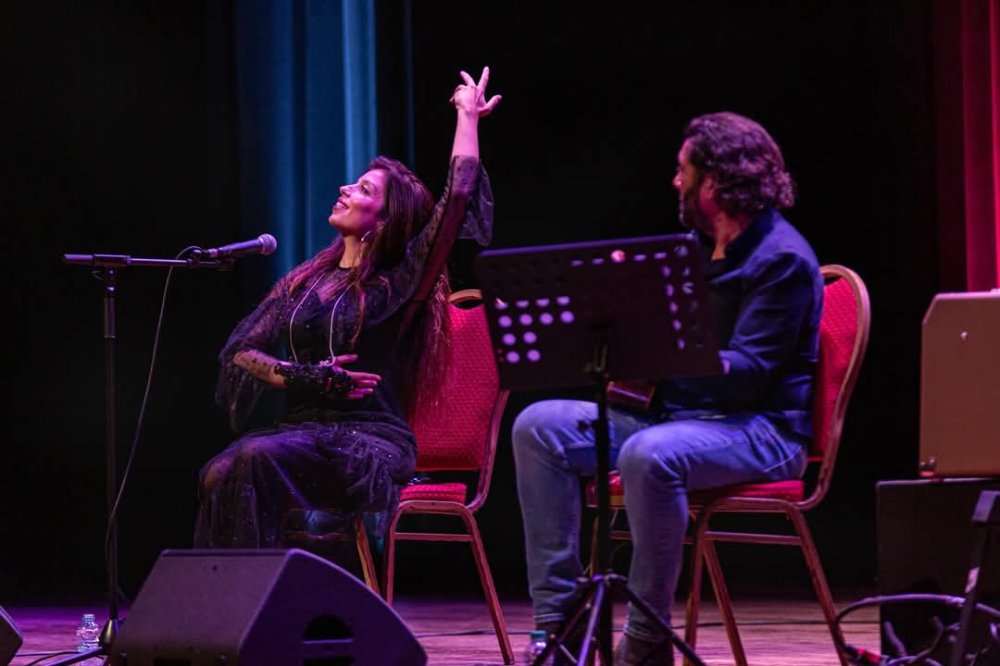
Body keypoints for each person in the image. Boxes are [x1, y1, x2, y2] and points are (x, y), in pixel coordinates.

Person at [512, 111, 823, 665]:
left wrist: (660, 353)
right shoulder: (693, 248)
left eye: (684, 171)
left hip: (760, 431)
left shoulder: (783, 260)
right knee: (539, 427)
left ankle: (647, 641)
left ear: (719, 180)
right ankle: (557, 626)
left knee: (649, 455)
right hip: (679, 417)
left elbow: (750, 373)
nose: (675, 182)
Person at [194, 67, 501, 550]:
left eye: (363, 190)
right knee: (219, 471)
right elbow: (241, 350)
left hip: (368, 440)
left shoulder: (398, 284)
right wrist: (306, 376)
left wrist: (467, 115)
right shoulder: (307, 280)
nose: (345, 189)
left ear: (385, 220)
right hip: (301, 433)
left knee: (252, 460)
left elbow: (458, 196)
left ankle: (256, 611)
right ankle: (236, 612)